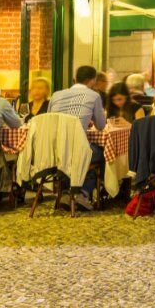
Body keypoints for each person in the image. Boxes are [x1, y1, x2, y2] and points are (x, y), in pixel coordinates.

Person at [49, 65, 108, 210]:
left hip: (53, 150)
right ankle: (82, 193)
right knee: (100, 153)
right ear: (93, 80)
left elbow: (49, 120)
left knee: (72, 153)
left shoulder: (56, 95)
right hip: (76, 150)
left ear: (75, 79)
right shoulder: (94, 96)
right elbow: (101, 125)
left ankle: (65, 191)